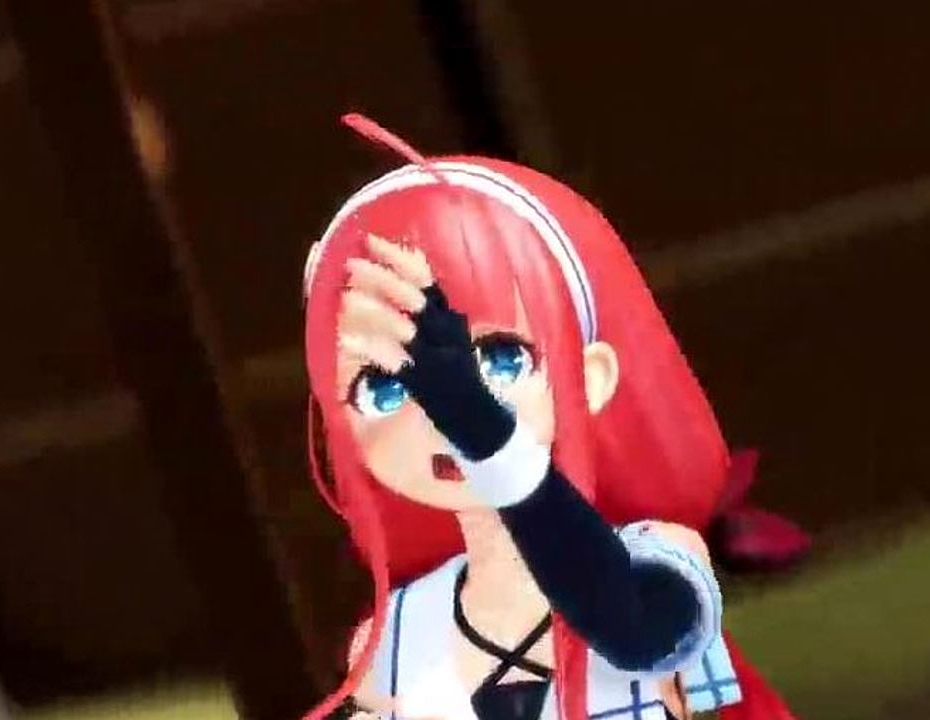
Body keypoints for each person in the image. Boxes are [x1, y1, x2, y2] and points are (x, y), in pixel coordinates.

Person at [300, 115, 797, 720]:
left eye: (502, 359)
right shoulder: (391, 646)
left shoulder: (659, 559)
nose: (434, 415)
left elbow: (628, 629)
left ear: (590, 378)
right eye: (383, 387)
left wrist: (480, 423)